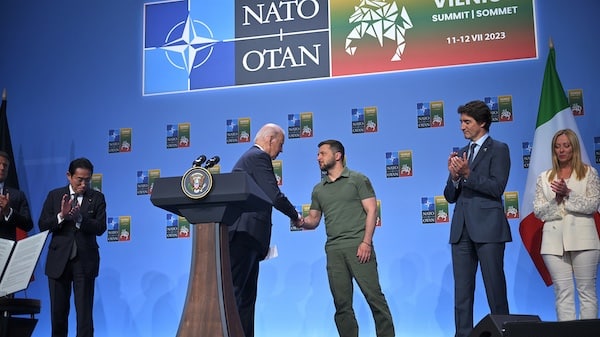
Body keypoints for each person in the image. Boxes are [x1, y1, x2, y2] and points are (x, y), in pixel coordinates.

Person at [299, 139, 395, 337]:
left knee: (374, 298)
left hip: (359, 246)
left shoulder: (358, 179)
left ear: (337, 155)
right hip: (334, 251)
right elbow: (314, 220)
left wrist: (366, 242)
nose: (318, 157)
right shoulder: (319, 189)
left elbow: (371, 210)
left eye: (322, 153)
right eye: (318, 154)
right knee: (342, 304)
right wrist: (298, 220)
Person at [443, 100, 511, 337]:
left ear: (482, 123)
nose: (462, 127)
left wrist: (467, 174)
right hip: (461, 231)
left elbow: (497, 187)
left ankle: (504, 332)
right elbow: (450, 196)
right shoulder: (461, 153)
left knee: (495, 289)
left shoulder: (499, 149)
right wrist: (453, 178)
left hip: (489, 229)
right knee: (462, 293)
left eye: (467, 122)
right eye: (461, 121)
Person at [228, 123, 302, 337]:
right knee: (239, 295)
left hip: (248, 238)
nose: (281, 150)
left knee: (245, 297)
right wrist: (296, 217)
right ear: (270, 140)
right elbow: (274, 195)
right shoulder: (258, 157)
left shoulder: (250, 158)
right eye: (281, 144)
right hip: (244, 236)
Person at [533, 128, 600, 321]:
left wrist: (568, 193)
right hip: (553, 244)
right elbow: (539, 211)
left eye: (566, 145)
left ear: (574, 148)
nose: (561, 150)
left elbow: (592, 205)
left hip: (584, 241)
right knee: (563, 293)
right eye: (557, 146)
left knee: (586, 292)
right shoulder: (544, 178)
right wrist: (557, 199)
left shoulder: (589, 174)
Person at [38, 158, 107, 337]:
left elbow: (100, 228)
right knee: (58, 314)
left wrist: (80, 220)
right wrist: (61, 215)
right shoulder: (55, 196)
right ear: (69, 176)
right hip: (58, 261)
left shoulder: (97, 198)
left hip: (85, 262)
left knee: (84, 316)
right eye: (79, 179)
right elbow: (43, 225)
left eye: (88, 180)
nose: (84, 184)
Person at [0, 150, 33, 241]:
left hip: (7, 249)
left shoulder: (17, 195)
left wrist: (8, 212)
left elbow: (28, 224)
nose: (2, 168)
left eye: (5, 165)